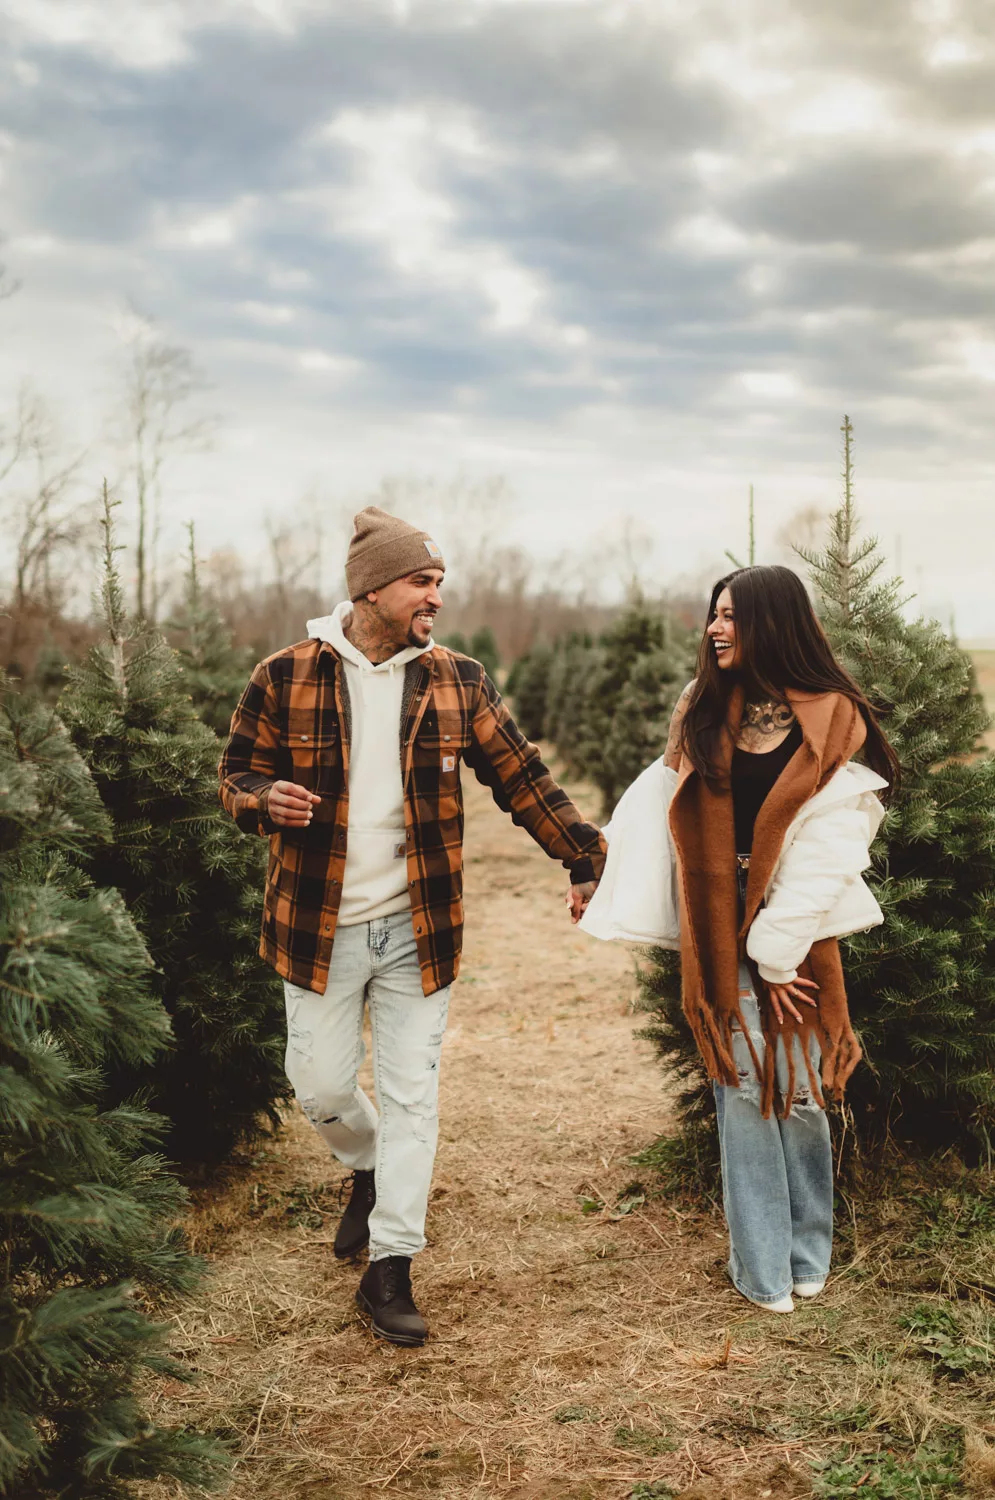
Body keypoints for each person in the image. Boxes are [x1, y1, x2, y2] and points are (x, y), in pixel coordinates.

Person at [219, 506, 605, 1346]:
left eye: (438, 582)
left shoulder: (455, 679)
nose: (436, 595)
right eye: (421, 581)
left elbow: (521, 776)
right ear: (370, 588)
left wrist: (585, 856)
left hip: (416, 928)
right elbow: (235, 773)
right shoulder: (284, 675)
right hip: (317, 926)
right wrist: (259, 802)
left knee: (411, 1098)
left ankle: (390, 1265)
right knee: (318, 1086)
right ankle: (363, 1168)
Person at [579, 565, 898, 1312]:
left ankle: (806, 1248)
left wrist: (778, 951)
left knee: (801, 1097)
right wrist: (597, 865)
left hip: (797, 931)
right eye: (712, 615)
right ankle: (760, 1269)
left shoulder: (830, 715)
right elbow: (658, 802)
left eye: (731, 616)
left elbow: (832, 842)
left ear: (772, 622)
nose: (715, 629)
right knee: (744, 1091)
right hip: (717, 932)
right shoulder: (701, 707)